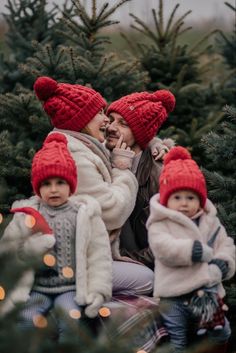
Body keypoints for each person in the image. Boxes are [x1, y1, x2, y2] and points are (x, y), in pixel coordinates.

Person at [33, 77, 154, 297]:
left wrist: (157, 145)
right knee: (146, 280)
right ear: (82, 119)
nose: (106, 120)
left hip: (83, 255)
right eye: (99, 113)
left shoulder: (81, 145)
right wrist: (122, 170)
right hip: (78, 261)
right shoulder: (75, 156)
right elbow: (112, 212)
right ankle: (85, 306)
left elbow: (140, 133)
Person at [1, 133, 112, 340]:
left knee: (71, 320)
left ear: (71, 184)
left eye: (60, 182)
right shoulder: (26, 215)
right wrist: (33, 249)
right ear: (37, 187)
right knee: (26, 320)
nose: (53, 189)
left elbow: (98, 257)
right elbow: (8, 252)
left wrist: (98, 290)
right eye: (46, 184)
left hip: (70, 289)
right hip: (36, 289)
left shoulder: (84, 214)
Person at [146, 146, 236, 353]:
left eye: (190, 198)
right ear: (167, 199)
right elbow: (162, 247)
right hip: (173, 294)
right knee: (176, 338)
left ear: (200, 200)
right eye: (177, 198)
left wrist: (223, 263)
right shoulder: (160, 222)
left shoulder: (209, 221)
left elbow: (226, 244)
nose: (184, 204)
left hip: (205, 292)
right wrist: (192, 250)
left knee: (220, 332)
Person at [106, 89, 176, 270]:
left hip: (142, 266)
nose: (111, 127)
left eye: (122, 123)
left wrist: (125, 259)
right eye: (111, 119)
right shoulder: (102, 157)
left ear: (140, 133)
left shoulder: (158, 175)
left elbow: (168, 242)